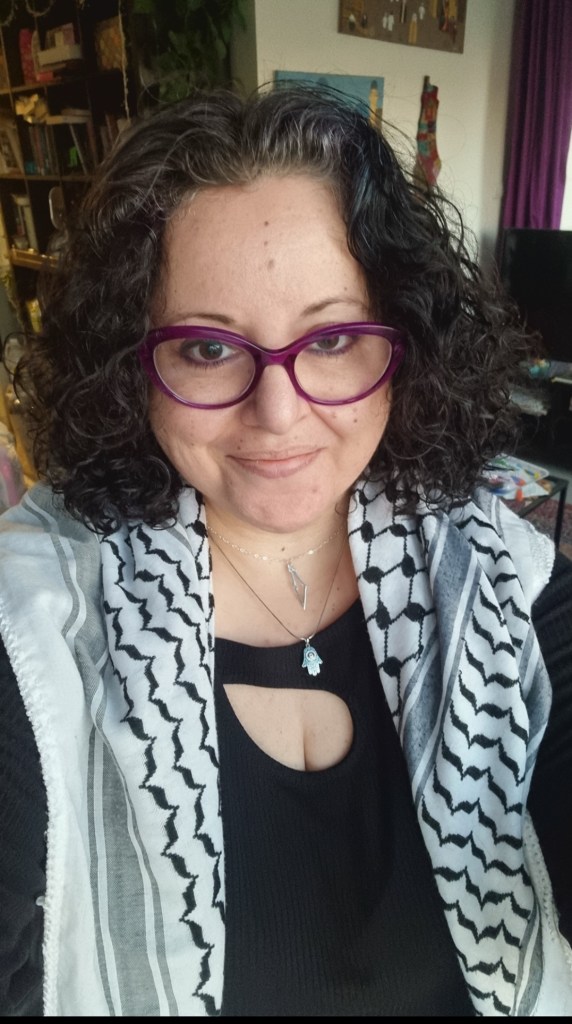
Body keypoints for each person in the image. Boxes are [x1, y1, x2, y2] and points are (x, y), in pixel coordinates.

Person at [0, 84, 571, 1018]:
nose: (279, 412)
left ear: (408, 344)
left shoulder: (506, 581)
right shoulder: (33, 626)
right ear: (129, 364)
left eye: (335, 337)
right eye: (207, 350)